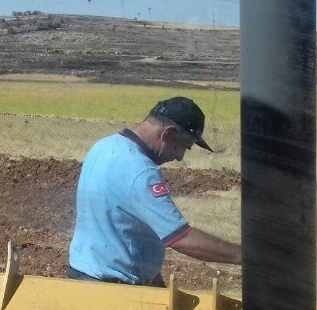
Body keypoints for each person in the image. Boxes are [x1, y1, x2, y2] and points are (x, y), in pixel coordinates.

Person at [67, 96, 242, 287]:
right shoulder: (139, 171)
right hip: (114, 291)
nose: (180, 157)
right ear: (168, 133)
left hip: (81, 277)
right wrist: (247, 256)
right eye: (183, 146)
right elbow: (181, 238)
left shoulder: (105, 146)